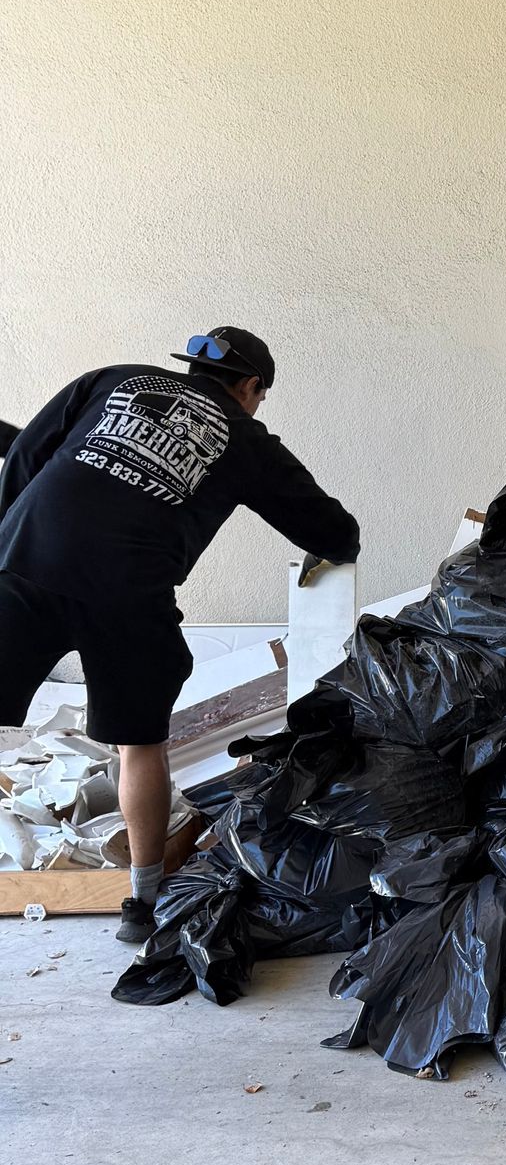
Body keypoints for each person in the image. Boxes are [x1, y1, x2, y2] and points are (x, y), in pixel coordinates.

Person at [0, 328, 359, 946]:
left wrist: (10, 541)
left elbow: (27, 455)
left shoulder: (114, 378)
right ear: (250, 387)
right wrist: (337, 546)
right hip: (130, 592)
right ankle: (141, 904)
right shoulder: (245, 438)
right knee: (140, 745)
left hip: (29, 561)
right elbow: (331, 529)